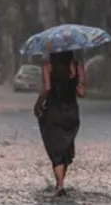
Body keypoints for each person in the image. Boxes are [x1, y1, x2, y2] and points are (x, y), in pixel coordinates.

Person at [34, 50, 86, 196]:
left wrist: (38, 105)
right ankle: (61, 183)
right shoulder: (77, 66)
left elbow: (47, 88)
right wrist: (72, 87)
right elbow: (81, 92)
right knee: (65, 147)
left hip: (54, 111)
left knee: (55, 149)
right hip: (71, 112)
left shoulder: (48, 66)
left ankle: (60, 185)